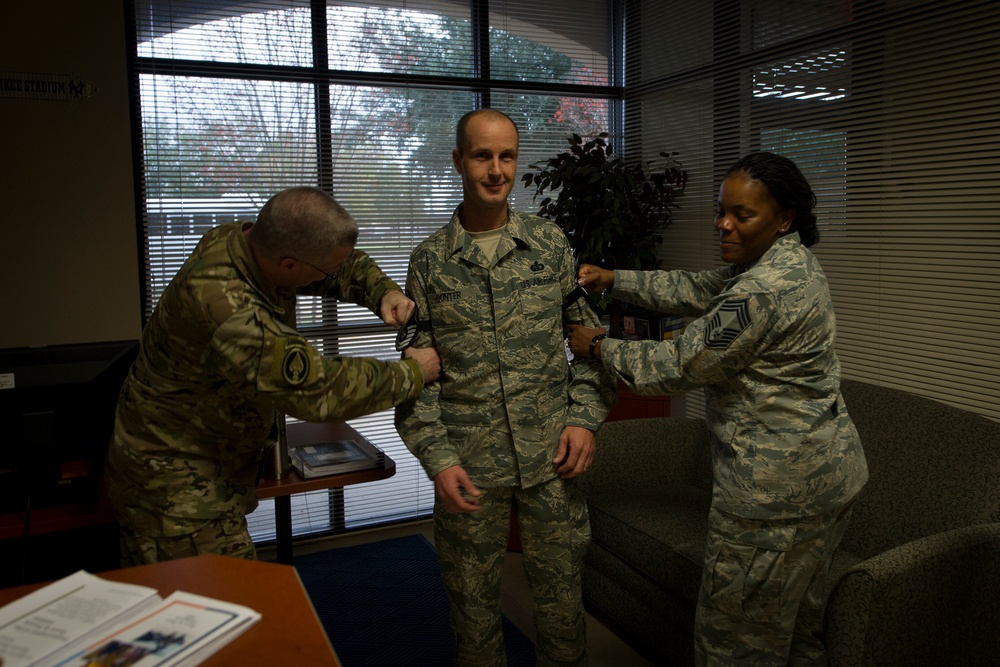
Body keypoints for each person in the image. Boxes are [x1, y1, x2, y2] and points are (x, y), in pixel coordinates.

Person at [568, 152, 869, 666]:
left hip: (773, 502)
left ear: (784, 219)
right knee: (797, 634)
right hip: (826, 481)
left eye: (742, 214)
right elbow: (699, 287)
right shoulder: (784, 262)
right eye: (721, 209)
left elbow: (676, 364)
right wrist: (614, 278)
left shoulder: (763, 291)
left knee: (734, 645)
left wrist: (597, 344)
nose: (723, 223)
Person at [105, 186, 440, 566]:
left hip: (207, 469)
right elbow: (318, 389)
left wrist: (382, 292)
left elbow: (337, 264)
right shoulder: (227, 308)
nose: (330, 275)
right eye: (323, 271)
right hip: (173, 496)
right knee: (221, 614)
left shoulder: (247, 242)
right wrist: (414, 372)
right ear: (289, 265)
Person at [395, 109, 615, 667]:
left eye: (507, 156)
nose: (496, 170)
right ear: (458, 161)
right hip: (469, 464)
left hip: (552, 461)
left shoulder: (550, 246)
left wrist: (584, 417)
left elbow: (591, 345)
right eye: (482, 156)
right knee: (472, 617)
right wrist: (439, 459)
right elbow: (413, 380)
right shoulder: (427, 262)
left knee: (564, 613)